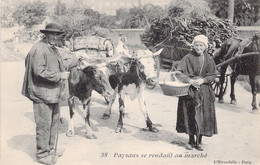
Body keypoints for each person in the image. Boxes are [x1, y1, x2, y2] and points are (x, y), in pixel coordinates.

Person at [21, 23, 78, 164]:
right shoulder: (39, 49)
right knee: (44, 125)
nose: (54, 37)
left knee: (53, 123)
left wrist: (74, 60)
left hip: (52, 93)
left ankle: (51, 149)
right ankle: (42, 154)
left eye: (56, 34)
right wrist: (59, 76)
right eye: (52, 34)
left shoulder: (51, 48)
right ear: (45, 34)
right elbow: (38, 71)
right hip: (41, 93)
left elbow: (57, 65)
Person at [175, 34, 218, 151]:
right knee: (189, 114)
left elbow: (213, 75)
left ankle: (199, 141)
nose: (198, 48)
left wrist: (203, 80)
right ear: (193, 46)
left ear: (205, 47)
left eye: (201, 45)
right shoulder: (187, 58)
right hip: (189, 91)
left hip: (204, 91)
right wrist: (190, 80)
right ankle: (190, 140)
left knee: (202, 116)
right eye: (196, 45)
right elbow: (178, 73)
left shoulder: (208, 59)